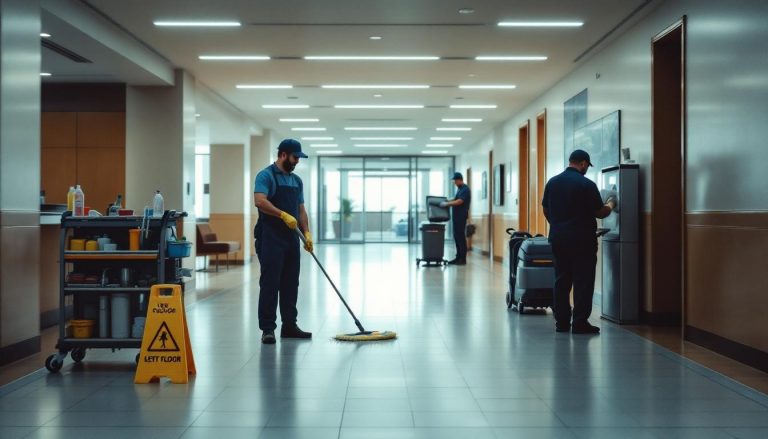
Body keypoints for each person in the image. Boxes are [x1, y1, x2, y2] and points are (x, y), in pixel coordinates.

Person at [542, 149, 616, 334]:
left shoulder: (552, 182)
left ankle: (562, 323)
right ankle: (580, 322)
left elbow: (545, 208)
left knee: (561, 280)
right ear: (583, 163)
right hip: (583, 240)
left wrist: (558, 225)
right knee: (583, 281)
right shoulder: (586, 184)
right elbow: (599, 212)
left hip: (558, 239)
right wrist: (611, 205)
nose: (586, 169)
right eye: (586, 166)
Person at [253, 139, 314, 344]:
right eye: (295, 157)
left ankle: (289, 325)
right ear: (283, 155)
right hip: (270, 237)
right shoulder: (266, 175)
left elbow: (301, 210)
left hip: (291, 238)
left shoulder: (296, 181)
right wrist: (282, 215)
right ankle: (267, 329)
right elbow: (260, 201)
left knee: (290, 283)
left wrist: (307, 233)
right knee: (270, 283)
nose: (297, 161)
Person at [440, 172, 471, 265]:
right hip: (457, 217)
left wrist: (447, 204)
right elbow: (455, 198)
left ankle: (462, 259)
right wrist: (447, 200)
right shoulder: (460, 189)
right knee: (457, 237)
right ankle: (458, 258)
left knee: (460, 238)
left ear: (459, 180)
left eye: (455, 180)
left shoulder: (465, 189)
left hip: (461, 217)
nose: (454, 182)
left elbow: (460, 201)